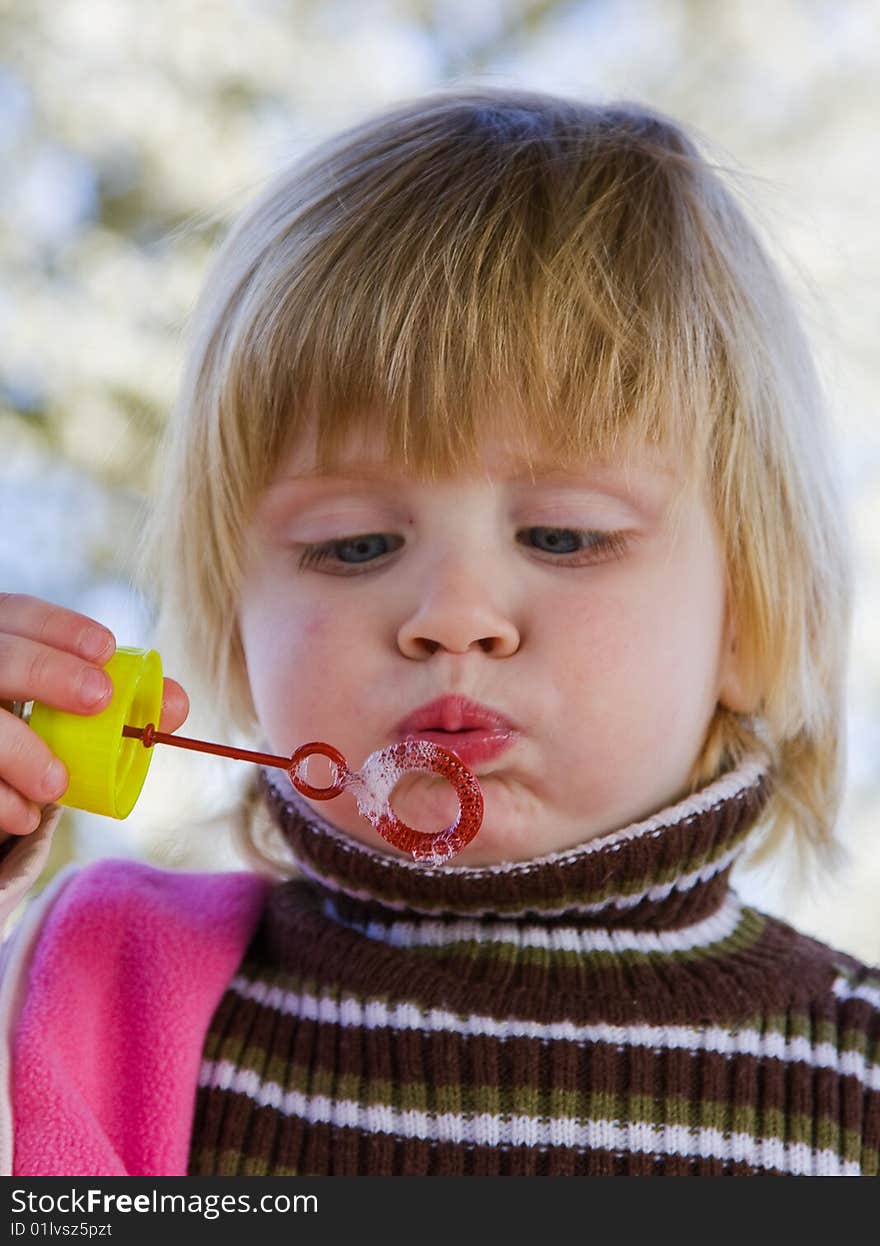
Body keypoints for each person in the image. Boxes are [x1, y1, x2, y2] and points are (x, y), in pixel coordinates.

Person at [1, 88, 878, 1177]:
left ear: (748, 622)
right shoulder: (91, 987)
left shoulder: (856, 1078)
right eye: (354, 545)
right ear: (235, 633)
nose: (452, 616)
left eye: (563, 534)